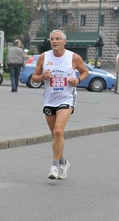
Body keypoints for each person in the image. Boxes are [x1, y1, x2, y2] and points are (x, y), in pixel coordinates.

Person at [31, 29, 89, 180]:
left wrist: (78, 80)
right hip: (50, 99)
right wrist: (42, 76)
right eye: (52, 39)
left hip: (66, 98)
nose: (54, 41)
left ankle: (55, 165)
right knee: (55, 135)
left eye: (57, 39)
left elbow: (84, 72)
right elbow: (34, 78)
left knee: (58, 131)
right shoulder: (44, 57)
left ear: (64, 41)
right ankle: (64, 161)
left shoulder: (73, 57)